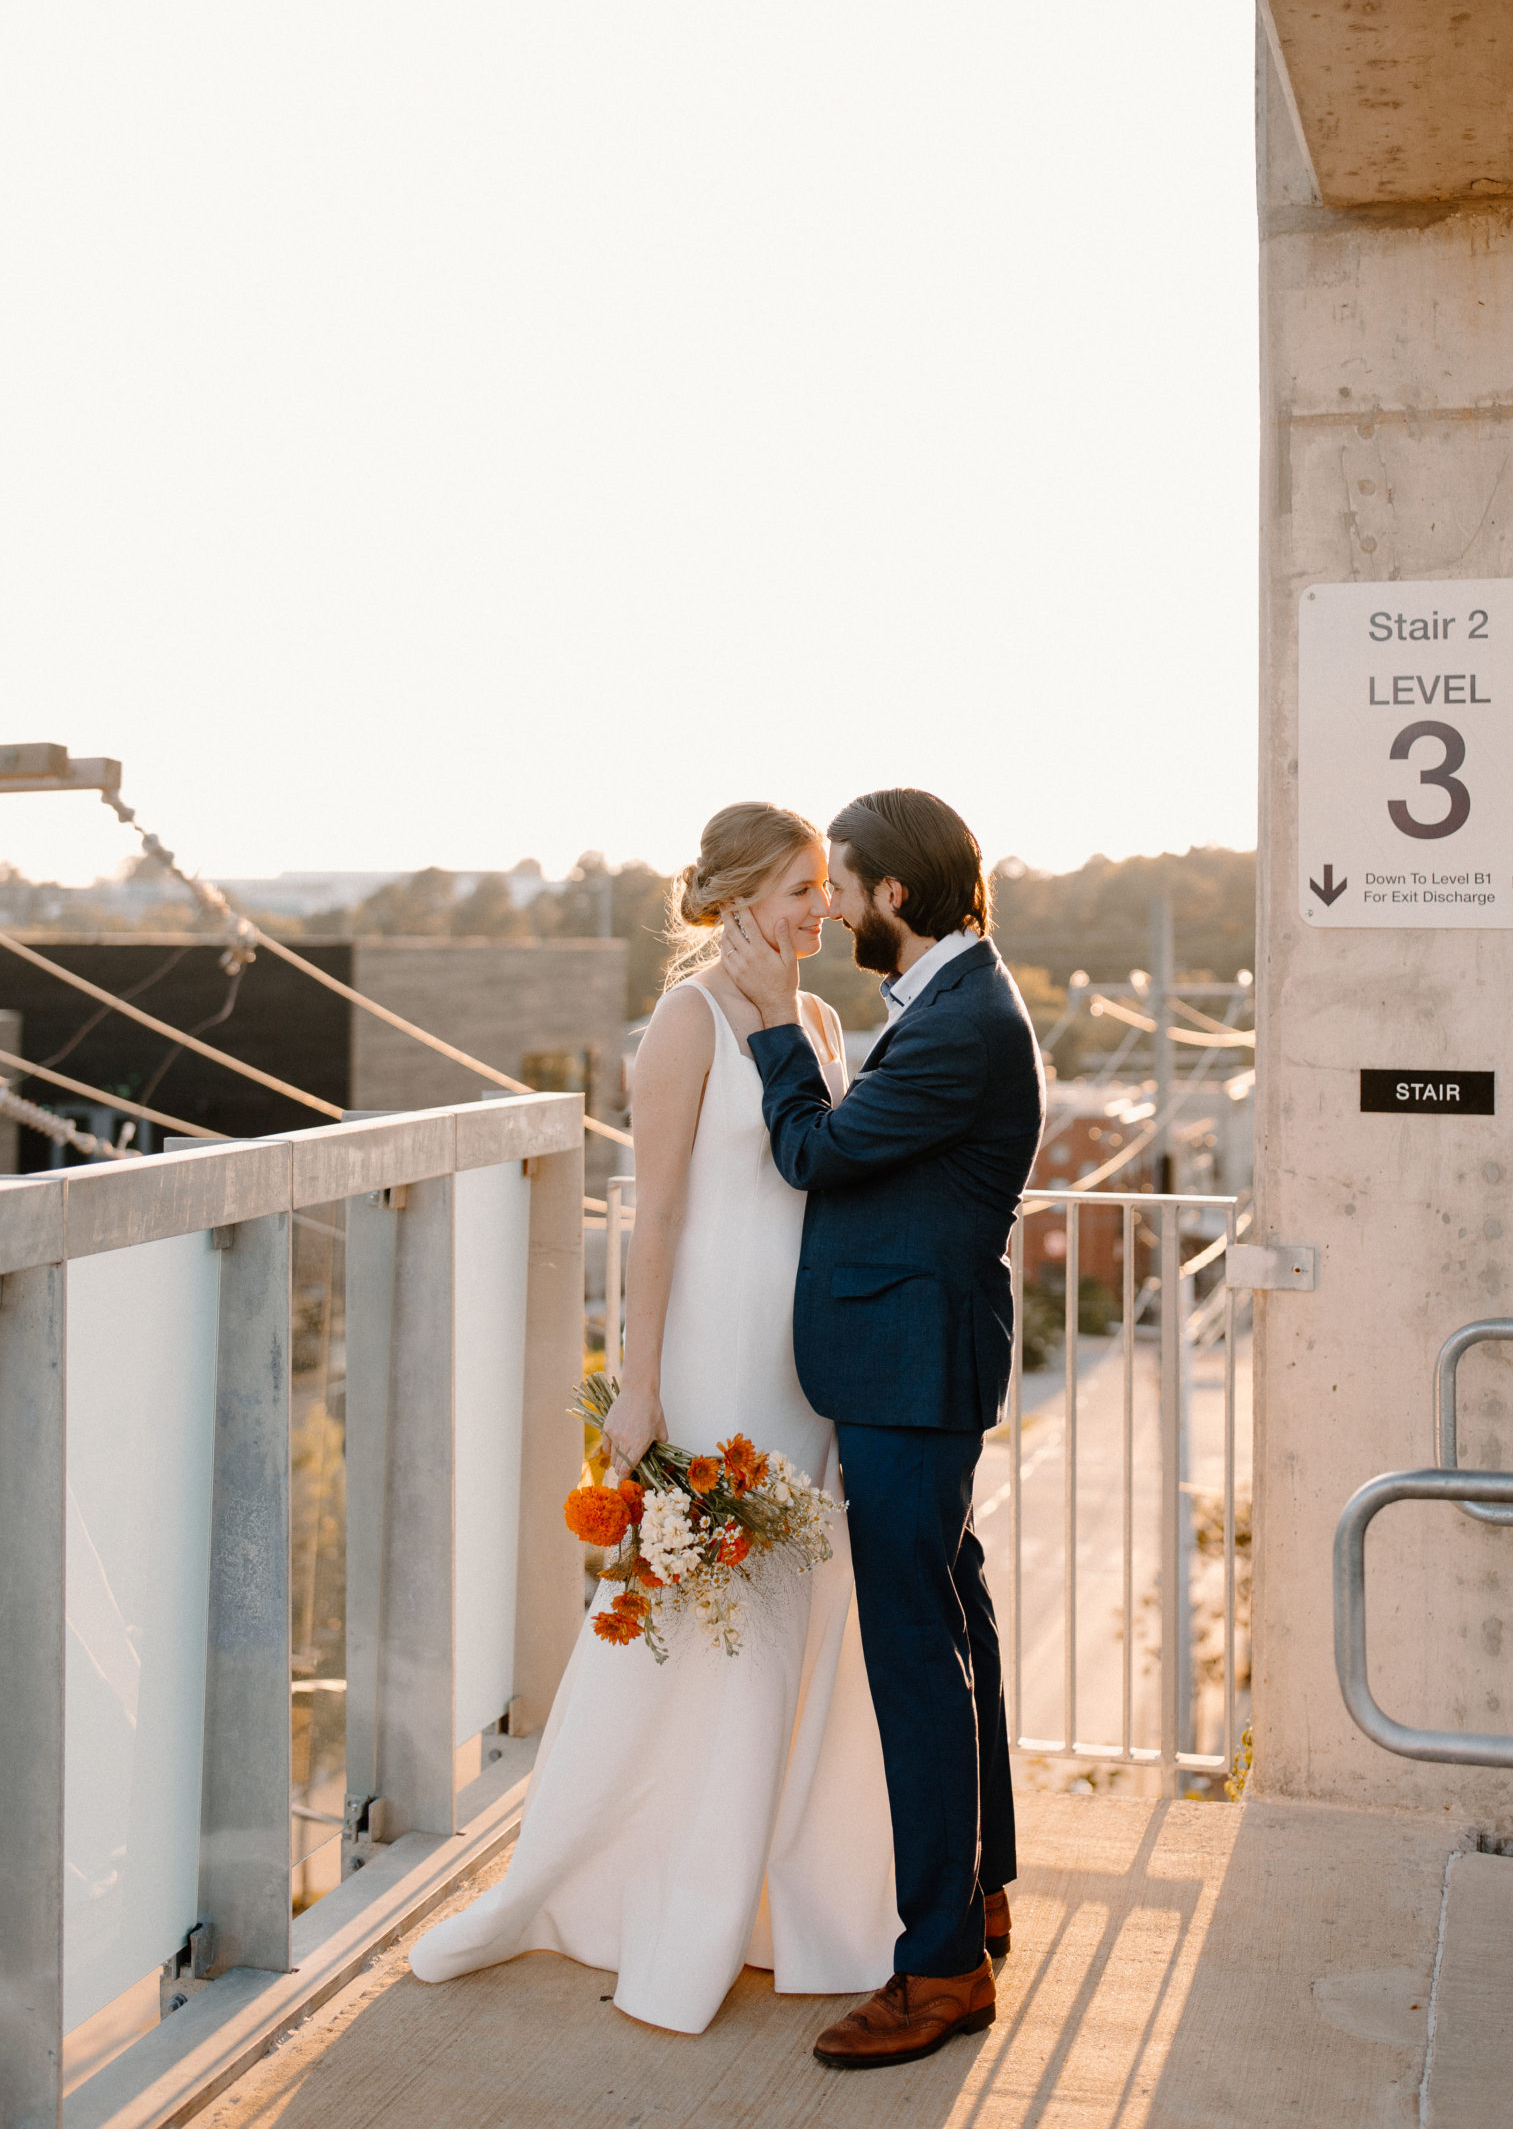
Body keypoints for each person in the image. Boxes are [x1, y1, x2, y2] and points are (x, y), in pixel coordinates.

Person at [410, 802, 897, 2033]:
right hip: (713, 1355)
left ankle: (774, 1898)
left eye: (825, 886)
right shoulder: (683, 1022)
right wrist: (638, 1383)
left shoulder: (818, 1020)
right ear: (736, 899)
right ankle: (653, 1891)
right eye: (800, 888)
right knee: (699, 1614)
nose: (822, 908)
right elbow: (660, 1212)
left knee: (793, 1614)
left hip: (799, 1361)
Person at [721, 786, 1045, 2070]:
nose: (834, 905)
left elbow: (816, 1153)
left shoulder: (959, 1025)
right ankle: (984, 1891)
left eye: (843, 885)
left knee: (916, 1656)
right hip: (916, 1363)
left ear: (892, 895)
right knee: (954, 1619)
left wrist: (769, 1024)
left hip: (913, 1373)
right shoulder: (954, 997)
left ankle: (942, 1966)